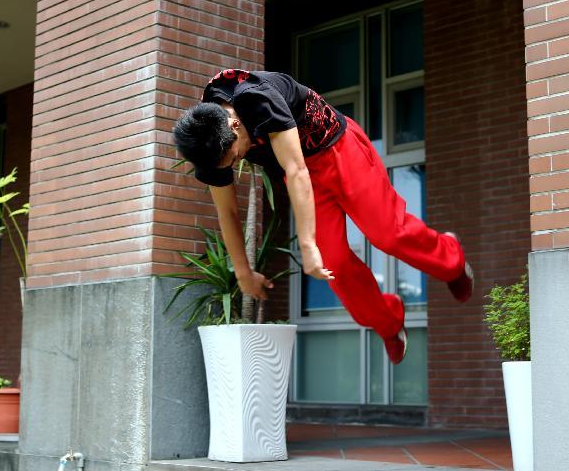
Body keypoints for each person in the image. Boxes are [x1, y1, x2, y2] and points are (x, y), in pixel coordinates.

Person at [172, 69, 474, 364]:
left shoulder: (257, 98)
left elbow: (296, 169)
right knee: (335, 266)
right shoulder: (206, 140)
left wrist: (307, 245)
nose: (237, 162)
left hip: (339, 150)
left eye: (236, 157)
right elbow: (227, 211)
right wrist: (243, 272)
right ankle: (389, 321)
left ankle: (452, 258)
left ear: (235, 124)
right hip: (308, 180)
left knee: (388, 233)